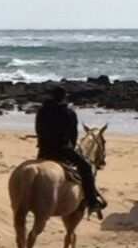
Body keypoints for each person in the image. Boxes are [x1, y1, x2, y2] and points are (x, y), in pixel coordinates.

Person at [33, 85, 106, 216]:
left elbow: (38, 130)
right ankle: (92, 202)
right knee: (86, 168)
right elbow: (73, 134)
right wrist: (71, 146)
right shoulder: (69, 113)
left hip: (43, 151)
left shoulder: (42, 111)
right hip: (63, 150)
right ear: (63, 97)